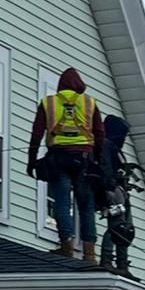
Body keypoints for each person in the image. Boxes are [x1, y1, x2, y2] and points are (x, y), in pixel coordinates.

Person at [26, 67, 105, 261]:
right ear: (79, 85)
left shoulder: (48, 103)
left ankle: (66, 246)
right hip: (84, 159)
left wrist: (31, 160)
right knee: (86, 205)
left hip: (58, 158)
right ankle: (89, 254)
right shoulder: (90, 102)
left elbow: (36, 133)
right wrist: (99, 159)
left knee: (62, 202)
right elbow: (100, 133)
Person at [96, 114, 141, 279]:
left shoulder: (113, 147)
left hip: (121, 190)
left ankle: (122, 264)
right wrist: (108, 189)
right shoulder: (105, 145)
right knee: (117, 226)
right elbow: (105, 169)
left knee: (126, 228)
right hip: (112, 189)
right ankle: (106, 259)